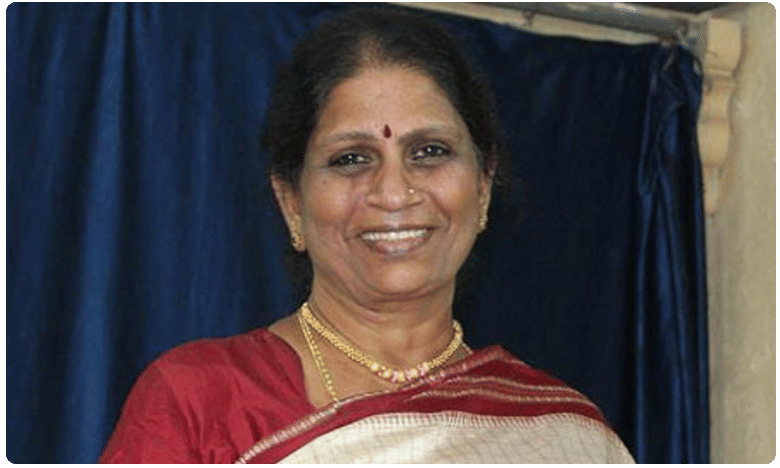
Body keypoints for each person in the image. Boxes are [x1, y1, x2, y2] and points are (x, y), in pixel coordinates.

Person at [99, 6, 634, 463]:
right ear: (291, 202)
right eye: (351, 159)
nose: (395, 193)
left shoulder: (565, 437)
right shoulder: (199, 403)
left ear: (484, 186)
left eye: (430, 152)